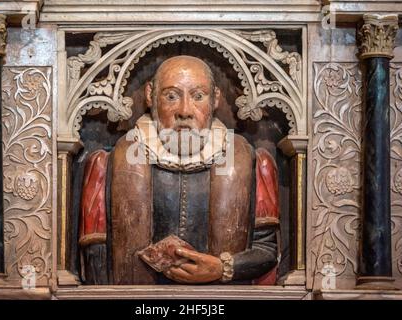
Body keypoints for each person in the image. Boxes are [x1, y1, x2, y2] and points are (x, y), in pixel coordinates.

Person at [78, 55, 280, 285]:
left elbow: (267, 251)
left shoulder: (254, 163)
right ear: (150, 96)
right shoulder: (106, 165)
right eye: (171, 96)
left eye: (198, 96)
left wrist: (222, 268)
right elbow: (95, 262)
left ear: (214, 99)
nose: (185, 111)